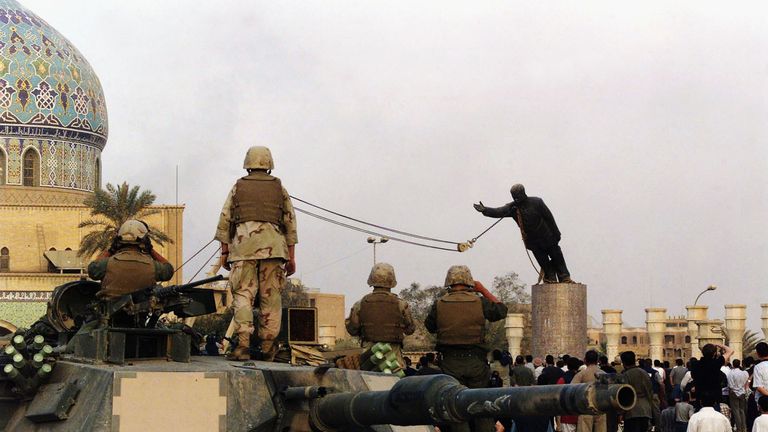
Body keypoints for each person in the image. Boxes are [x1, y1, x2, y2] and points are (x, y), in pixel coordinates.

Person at [215, 146, 298, 361]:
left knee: (243, 295)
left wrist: (225, 251)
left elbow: (225, 220)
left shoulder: (238, 187)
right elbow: (290, 224)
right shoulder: (280, 189)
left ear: (247, 163)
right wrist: (291, 256)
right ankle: (268, 347)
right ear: (269, 163)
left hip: (243, 249)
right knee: (271, 298)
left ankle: (242, 346)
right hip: (274, 250)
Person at [424, 265, 508, 432]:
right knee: (481, 405)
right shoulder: (480, 301)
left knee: (455, 406)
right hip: (476, 362)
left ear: (449, 282)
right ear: (470, 282)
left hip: (449, 363)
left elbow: (430, 326)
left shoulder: (439, 304)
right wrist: (482, 289)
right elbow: (501, 310)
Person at [473, 183, 573, 283]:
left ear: (523, 193)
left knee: (557, 257)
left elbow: (549, 218)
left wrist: (556, 233)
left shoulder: (537, 202)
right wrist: (485, 210)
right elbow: (499, 211)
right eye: (513, 196)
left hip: (547, 237)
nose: (515, 198)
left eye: (517, 195)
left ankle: (564, 277)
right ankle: (550, 278)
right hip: (533, 242)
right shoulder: (513, 208)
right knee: (543, 262)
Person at [345, 262, 416, 368]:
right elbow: (410, 329)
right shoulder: (401, 304)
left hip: (369, 357)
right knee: (396, 381)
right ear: (392, 280)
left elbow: (352, 330)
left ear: (372, 280)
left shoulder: (360, 304)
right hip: (393, 357)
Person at [87, 219, 174, 300]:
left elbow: (93, 269)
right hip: (142, 315)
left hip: (110, 314)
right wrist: (151, 250)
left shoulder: (107, 264)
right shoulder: (153, 266)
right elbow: (169, 270)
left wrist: (110, 250)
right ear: (145, 241)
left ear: (118, 240)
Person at [572, 350, 606, 432]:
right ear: (597, 361)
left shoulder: (582, 374)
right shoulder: (604, 374)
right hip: (601, 408)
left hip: (585, 408)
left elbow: (572, 389)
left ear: (585, 360)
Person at [620, 351, 654, 432]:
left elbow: (625, 394)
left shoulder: (626, 375)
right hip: (645, 410)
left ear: (623, 362)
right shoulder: (644, 373)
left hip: (631, 411)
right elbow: (650, 391)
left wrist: (622, 412)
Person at [692, 343, 733, 409]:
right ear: (714, 353)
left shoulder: (695, 364)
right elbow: (730, 351)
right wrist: (720, 345)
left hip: (700, 399)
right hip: (715, 399)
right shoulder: (717, 363)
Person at [729, 359, 749, 432]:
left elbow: (730, 385)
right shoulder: (745, 373)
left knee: (736, 411)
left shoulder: (731, 373)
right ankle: (744, 427)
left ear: (733, 365)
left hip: (734, 392)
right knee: (742, 411)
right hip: (742, 392)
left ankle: (739, 428)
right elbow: (747, 381)